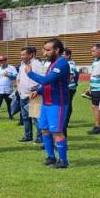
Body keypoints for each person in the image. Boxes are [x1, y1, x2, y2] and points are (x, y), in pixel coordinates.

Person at [25, 39, 71, 168]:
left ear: (56, 50)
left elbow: (46, 80)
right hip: (46, 102)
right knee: (44, 130)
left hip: (58, 103)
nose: (44, 53)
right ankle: (51, 157)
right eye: (44, 50)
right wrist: (38, 91)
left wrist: (30, 73)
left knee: (57, 131)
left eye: (47, 50)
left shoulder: (61, 63)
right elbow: (48, 84)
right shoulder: (52, 63)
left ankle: (63, 161)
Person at [16, 46, 43, 142]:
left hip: (34, 94)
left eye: (24, 54)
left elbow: (41, 78)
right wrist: (19, 87)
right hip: (23, 94)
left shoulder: (37, 64)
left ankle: (40, 137)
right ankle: (28, 136)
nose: (22, 56)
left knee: (36, 117)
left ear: (30, 55)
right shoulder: (22, 65)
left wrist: (35, 90)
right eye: (21, 55)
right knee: (25, 117)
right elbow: (19, 77)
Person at [0, 56, 17, 122]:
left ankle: (11, 116)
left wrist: (9, 75)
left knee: (9, 105)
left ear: (6, 60)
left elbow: (16, 76)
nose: (1, 62)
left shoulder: (11, 68)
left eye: (2, 60)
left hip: (8, 90)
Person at [61, 49, 79, 136]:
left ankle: (66, 121)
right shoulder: (67, 63)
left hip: (69, 87)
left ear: (68, 56)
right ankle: (66, 121)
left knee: (67, 104)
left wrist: (65, 84)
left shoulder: (70, 64)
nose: (62, 56)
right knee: (68, 104)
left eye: (64, 55)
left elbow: (71, 76)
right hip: (69, 87)